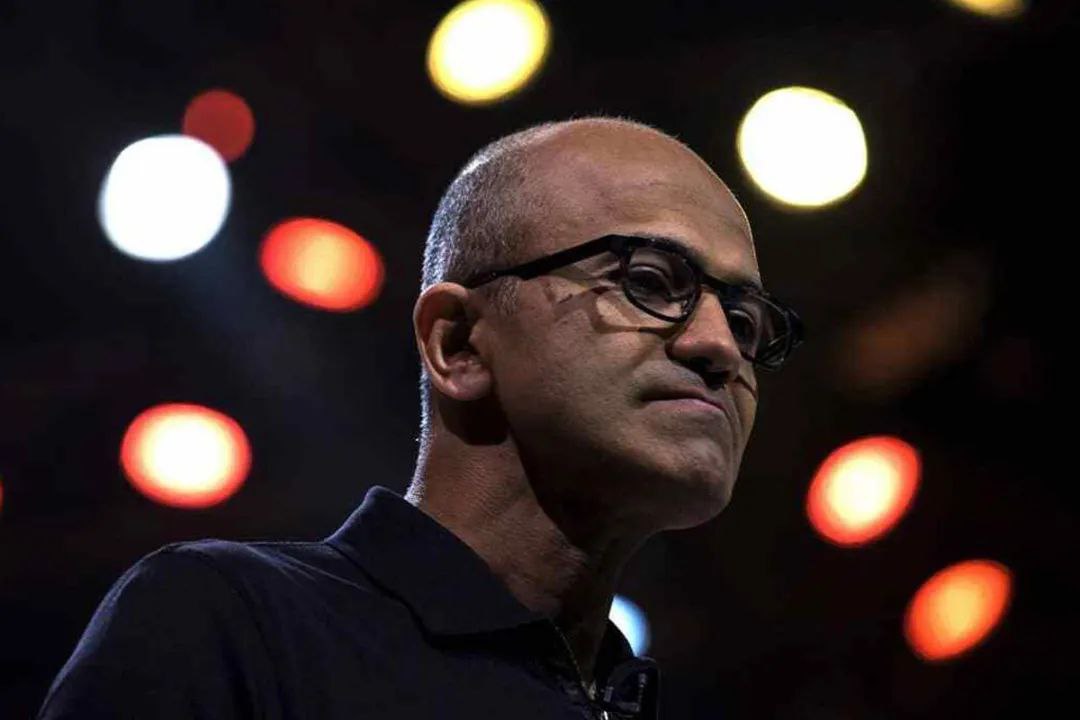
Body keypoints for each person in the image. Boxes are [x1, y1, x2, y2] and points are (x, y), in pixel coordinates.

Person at [38, 117, 804, 719]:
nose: (719, 346)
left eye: (745, 321)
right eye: (650, 281)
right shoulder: (230, 624)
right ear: (458, 344)